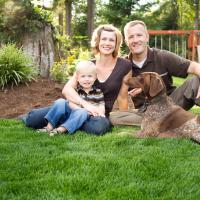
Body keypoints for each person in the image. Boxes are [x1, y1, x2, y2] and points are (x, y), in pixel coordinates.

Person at [21, 24, 132, 135]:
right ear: (98, 41)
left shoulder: (125, 65)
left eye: (111, 40)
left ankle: (64, 122)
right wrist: (85, 105)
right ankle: (69, 121)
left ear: (116, 44)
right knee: (32, 119)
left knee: (99, 127)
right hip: (74, 107)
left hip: (96, 115)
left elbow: (122, 97)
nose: (107, 43)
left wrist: (124, 119)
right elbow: (67, 89)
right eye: (104, 39)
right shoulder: (88, 65)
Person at [110, 20, 200, 126]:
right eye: (131, 37)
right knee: (113, 117)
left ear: (147, 37)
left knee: (195, 82)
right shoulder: (123, 65)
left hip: (171, 105)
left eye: (139, 35)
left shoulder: (163, 57)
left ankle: (160, 121)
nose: (135, 40)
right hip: (144, 112)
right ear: (126, 41)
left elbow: (195, 67)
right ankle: (157, 122)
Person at [37, 60, 105, 136]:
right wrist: (83, 109)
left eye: (90, 76)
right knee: (60, 102)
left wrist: (99, 113)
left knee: (82, 112)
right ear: (77, 78)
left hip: (84, 117)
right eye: (83, 76)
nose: (86, 79)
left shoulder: (98, 92)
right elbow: (70, 103)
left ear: (95, 77)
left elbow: (101, 107)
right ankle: (49, 127)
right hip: (70, 112)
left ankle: (60, 130)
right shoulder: (75, 91)